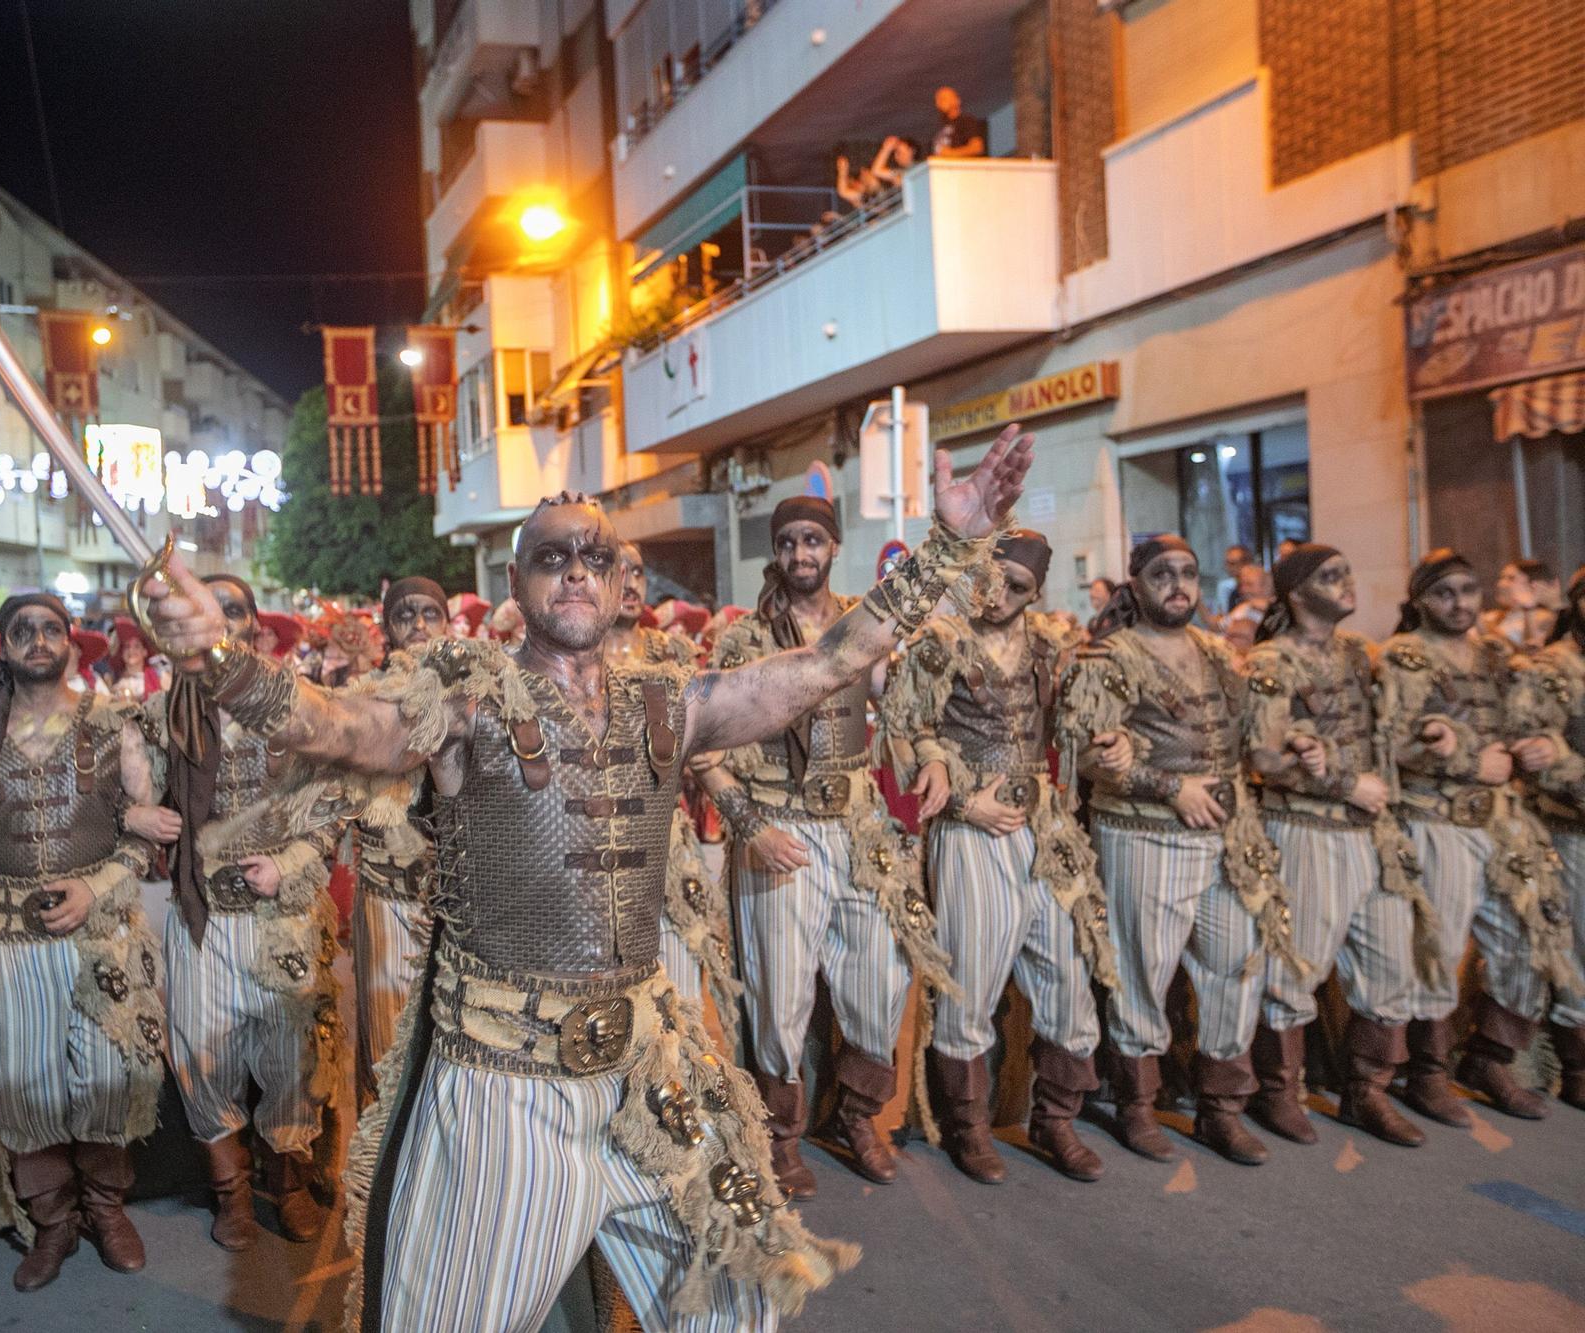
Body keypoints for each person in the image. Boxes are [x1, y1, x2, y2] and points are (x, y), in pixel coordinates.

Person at [137, 425, 1033, 1333]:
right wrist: (218, 659)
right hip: (503, 1086)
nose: (575, 570)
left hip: (645, 1062)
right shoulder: (468, 706)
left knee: (735, 1305)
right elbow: (341, 725)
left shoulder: (671, 704)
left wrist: (951, 546)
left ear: (617, 580)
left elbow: (830, 661)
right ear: (518, 583)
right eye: (552, 556)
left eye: (595, 556)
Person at [0, 593, 165, 1292]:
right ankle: (53, 1220)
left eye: (50, 627)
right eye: (22, 630)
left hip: (105, 935)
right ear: (4, 645)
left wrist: (98, 885)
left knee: (112, 1081)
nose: (37, 639)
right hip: (5, 941)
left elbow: (147, 835)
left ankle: (106, 1209)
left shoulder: (115, 724)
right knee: (25, 1088)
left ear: (71, 643)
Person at [705, 495, 956, 1195]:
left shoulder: (862, 626)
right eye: (787, 542)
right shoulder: (742, 641)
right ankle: (780, 1136)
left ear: (834, 545)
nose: (799, 554)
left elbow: (901, 707)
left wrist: (930, 754)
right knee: (778, 991)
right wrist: (751, 827)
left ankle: (858, 1114)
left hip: (858, 829)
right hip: (778, 830)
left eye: (812, 539)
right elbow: (703, 754)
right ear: (776, 552)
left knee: (881, 978)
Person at [879, 531, 1123, 1184]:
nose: (998, 594)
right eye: (991, 577)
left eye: (1016, 585)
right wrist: (962, 799)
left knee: (1070, 973)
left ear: (1036, 592)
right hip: (973, 828)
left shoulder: (1049, 644)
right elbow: (903, 727)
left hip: (1041, 823)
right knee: (971, 983)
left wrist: (1114, 741)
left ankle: (1057, 1119)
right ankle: (969, 1126)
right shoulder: (941, 640)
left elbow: (1080, 723)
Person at [1059, 536, 1308, 1166]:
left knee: (1238, 964)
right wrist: (1170, 787)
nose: (1178, 585)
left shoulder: (1220, 653)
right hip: (1145, 834)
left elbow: (1258, 744)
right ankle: (1136, 1107)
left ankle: (1221, 1108)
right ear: (1135, 585)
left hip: (1227, 835)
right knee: (1141, 974)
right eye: (1162, 574)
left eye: (1188, 574)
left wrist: (1304, 747)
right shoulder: (1107, 656)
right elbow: (1091, 757)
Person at [128, 570, 348, 1251]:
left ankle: (286, 1179)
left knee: (292, 1055)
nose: (219, 620)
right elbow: (104, 797)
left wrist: (288, 864)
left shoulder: (299, 709)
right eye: (207, 609)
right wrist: (135, 812)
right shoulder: (162, 716)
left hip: (284, 913)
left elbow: (334, 808)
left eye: (233, 610)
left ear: (256, 627)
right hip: (202, 916)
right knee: (200, 1055)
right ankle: (231, 1192)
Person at [1377, 550, 1580, 1123]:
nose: (1460, 603)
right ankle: (1427, 1073)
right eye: (1444, 593)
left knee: (1532, 935)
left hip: (1502, 820)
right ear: (1419, 601)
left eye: (1468, 590)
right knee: (1439, 951)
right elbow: (1393, 742)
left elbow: (1526, 727)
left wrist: (1543, 748)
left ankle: (1490, 1058)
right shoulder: (1406, 655)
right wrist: (1464, 758)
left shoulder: (1498, 654)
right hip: (1436, 819)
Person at [1239, 545, 1432, 1149]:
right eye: (1330, 576)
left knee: (1391, 963)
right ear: (1297, 594)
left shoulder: (1358, 653)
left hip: (1371, 830)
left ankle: (1367, 1090)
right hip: (1308, 829)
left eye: (1347, 571)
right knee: (1296, 966)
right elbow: (1263, 758)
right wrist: (1342, 779)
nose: (1347, 582)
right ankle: (1279, 1093)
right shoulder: (1270, 660)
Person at [606, 543, 742, 1038]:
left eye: (638, 570)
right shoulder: (572, 662)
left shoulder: (670, 655)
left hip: (668, 840)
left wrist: (744, 816)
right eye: (615, 570)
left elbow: (705, 748)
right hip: (594, 844)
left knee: (682, 997)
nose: (630, 581)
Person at [351, 576, 451, 1098]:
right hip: (387, 890)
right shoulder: (367, 697)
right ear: (387, 629)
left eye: (430, 614)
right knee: (387, 1050)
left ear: (449, 622)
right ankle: (381, 1172)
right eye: (404, 616)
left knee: (458, 1046)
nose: (418, 626)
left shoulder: (476, 693)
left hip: (461, 898)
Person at [1514, 565, 1585, 1110]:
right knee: (1573, 949)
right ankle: (1576, 1065)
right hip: (1568, 829)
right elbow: (1535, 753)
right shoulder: (1551, 669)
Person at [1483, 557, 1562, 651]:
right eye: (1502, 578)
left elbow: (1534, 650)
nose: (1501, 584)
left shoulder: (1545, 617)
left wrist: (1529, 608)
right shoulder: (1495, 616)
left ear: (1533, 584)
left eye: (1511, 579)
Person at [107, 619, 166, 701]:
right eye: (127, 646)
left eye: (137, 646)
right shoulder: (114, 680)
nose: (131, 651)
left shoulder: (159, 676)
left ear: (145, 652)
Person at [930, 87, 987, 159]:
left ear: (957, 101)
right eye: (938, 100)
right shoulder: (940, 126)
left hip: (962, 168)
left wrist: (952, 153)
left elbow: (977, 148)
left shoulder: (966, 121)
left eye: (944, 99)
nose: (940, 103)